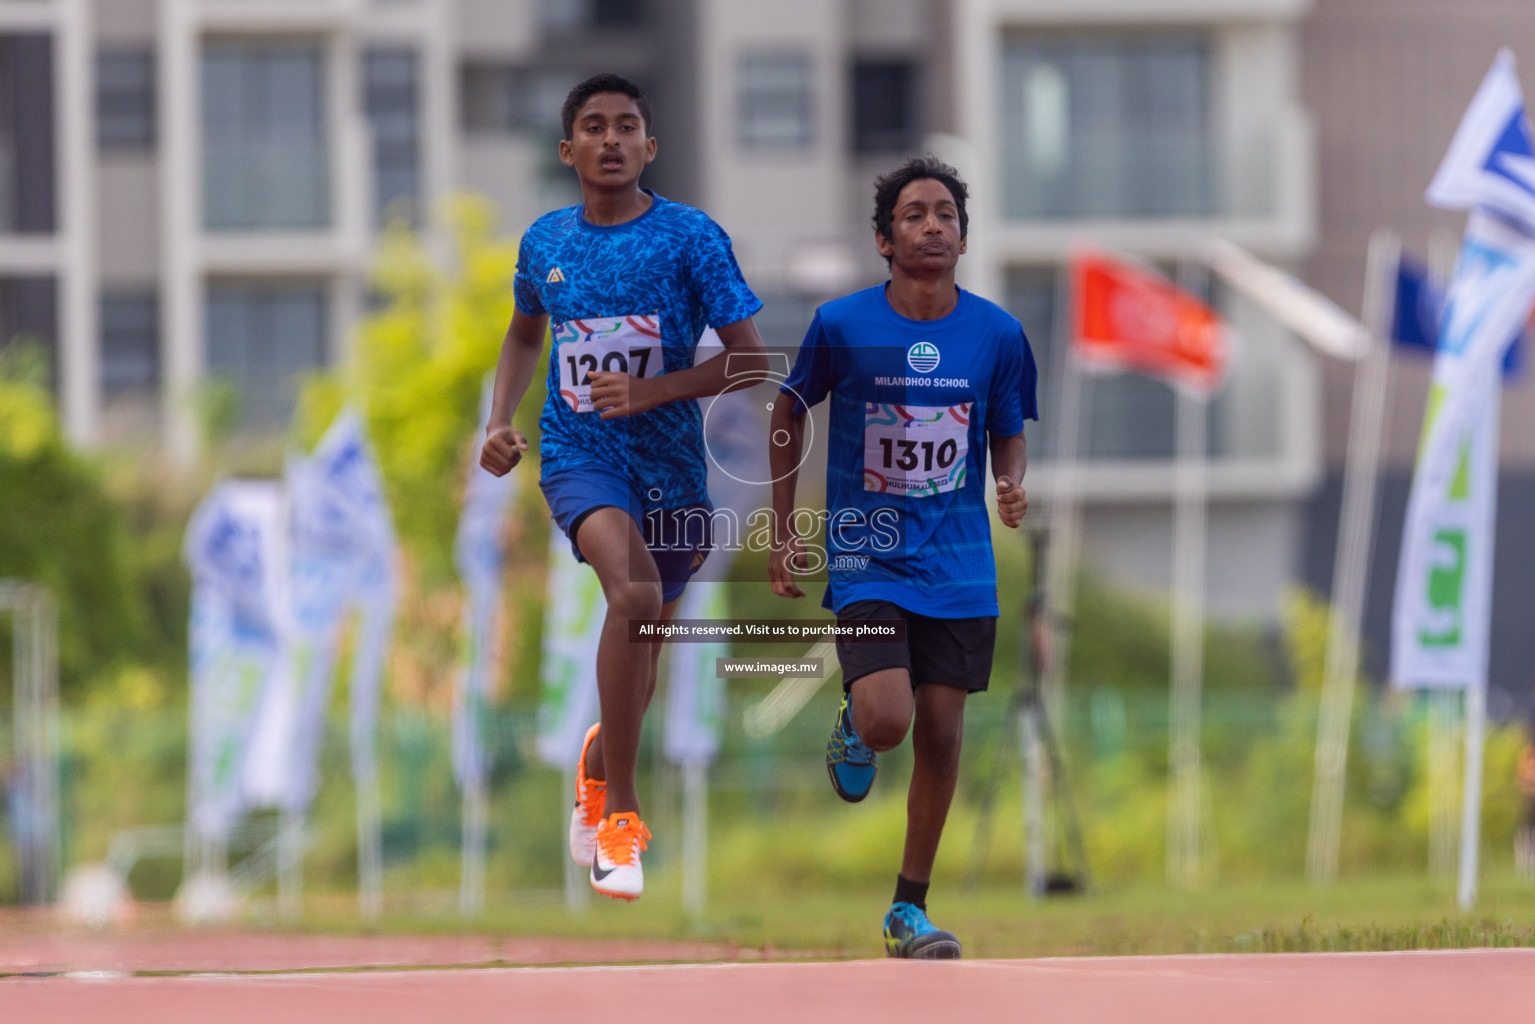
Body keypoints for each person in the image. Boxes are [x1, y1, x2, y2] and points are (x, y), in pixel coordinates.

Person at [480, 73, 766, 901]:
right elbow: (523, 333)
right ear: (568, 151)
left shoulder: (690, 238)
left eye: (627, 126)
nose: (611, 140)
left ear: (650, 145)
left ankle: (599, 761)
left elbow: (748, 360)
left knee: (640, 655)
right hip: (581, 459)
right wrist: (498, 419)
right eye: (594, 128)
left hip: (675, 473)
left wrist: (652, 391)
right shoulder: (545, 243)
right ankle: (622, 820)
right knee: (634, 598)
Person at [768, 156, 1036, 958]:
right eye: (914, 214)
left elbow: (1008, 433)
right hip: (868, 555)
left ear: (962, 234)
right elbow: (787, 412)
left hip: (958, 565)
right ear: (884, 239)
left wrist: (1010, 484)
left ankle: (906, 910)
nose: (932, 225)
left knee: (944, 738)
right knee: (891, 718)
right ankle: (854, 723)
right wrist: (786, 530)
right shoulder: (843, 325)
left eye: (946, 213)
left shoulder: (996, 334)